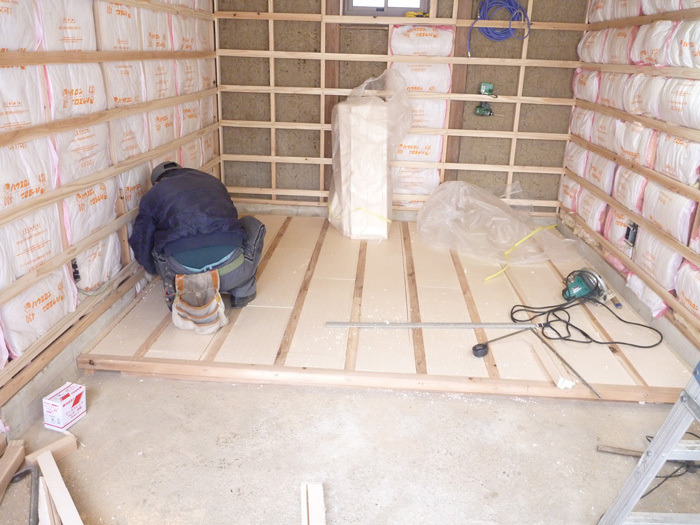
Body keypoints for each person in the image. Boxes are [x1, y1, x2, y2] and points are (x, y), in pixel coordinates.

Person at [129, 162, 266, 309]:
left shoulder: (154, 193)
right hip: (231, 274)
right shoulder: (212, 181)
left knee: (156, 241)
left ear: (157, 182)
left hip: (184, 278)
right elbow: (232, 217)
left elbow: (141, 240)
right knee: (251, 223)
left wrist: (154, 269)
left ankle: (174, 290)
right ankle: (243, 291)